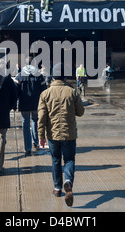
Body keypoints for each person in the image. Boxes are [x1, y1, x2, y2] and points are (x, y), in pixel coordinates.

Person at [38, 63, 85, 207]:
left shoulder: (45, 93)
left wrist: (41, 135)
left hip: (53, 134)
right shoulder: (72, 92)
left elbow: (41, 117)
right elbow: (80, 112)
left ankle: (57, 188)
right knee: (69, 159)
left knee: (55, 160)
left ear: (52, 76)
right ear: (64, 77)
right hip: (69, 133)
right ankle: (68, 181)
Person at [15, 57, 47, 156]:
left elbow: (16, 92)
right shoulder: (39, 76)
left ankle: (27, 147)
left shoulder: (19, 76)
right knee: (35, 122)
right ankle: (35, 142)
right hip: (36, 104)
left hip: (24, 103)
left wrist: (14, 104)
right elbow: (44, 91)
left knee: (25, 124)